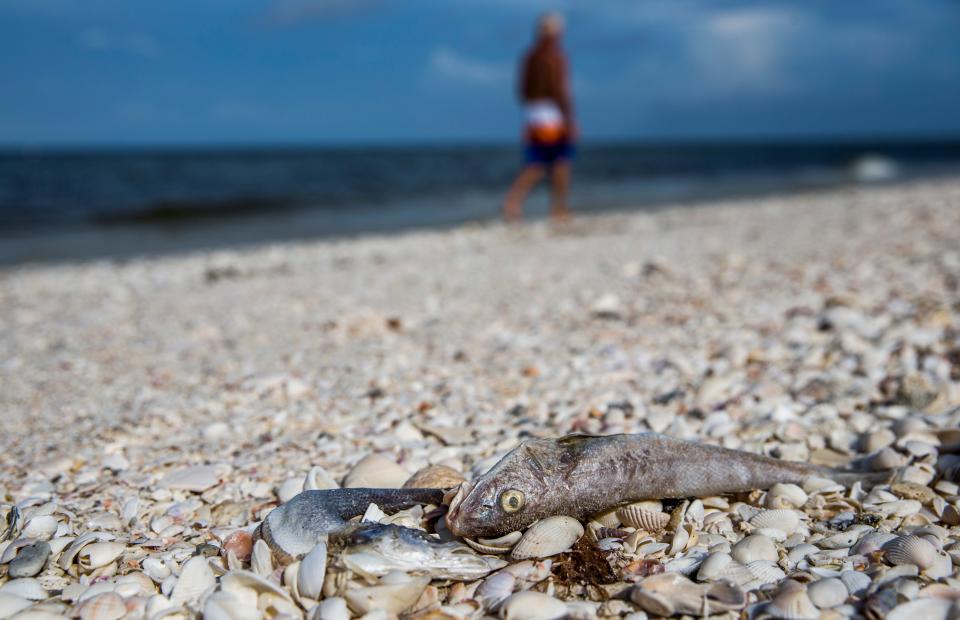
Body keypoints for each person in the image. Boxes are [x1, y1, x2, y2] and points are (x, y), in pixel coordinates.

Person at [503, 13, 576, 222]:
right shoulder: (555, 57)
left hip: (533, 112)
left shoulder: (529, 56)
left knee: (536, 163)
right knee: (560, 162)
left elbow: (522, 91)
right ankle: (558, 208)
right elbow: (560, 90)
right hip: (552, 114)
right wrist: (569, 118)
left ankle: (513, 202)